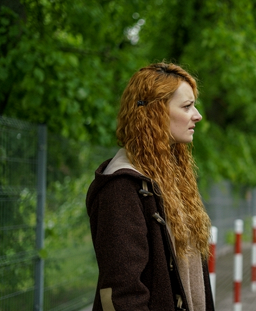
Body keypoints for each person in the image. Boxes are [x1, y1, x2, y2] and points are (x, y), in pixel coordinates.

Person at [86, 62, 215, 311]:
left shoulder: (173, 176)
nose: (197, 115)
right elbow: (122, 294)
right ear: (156, 112)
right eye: (187, 106)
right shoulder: (122, 187)